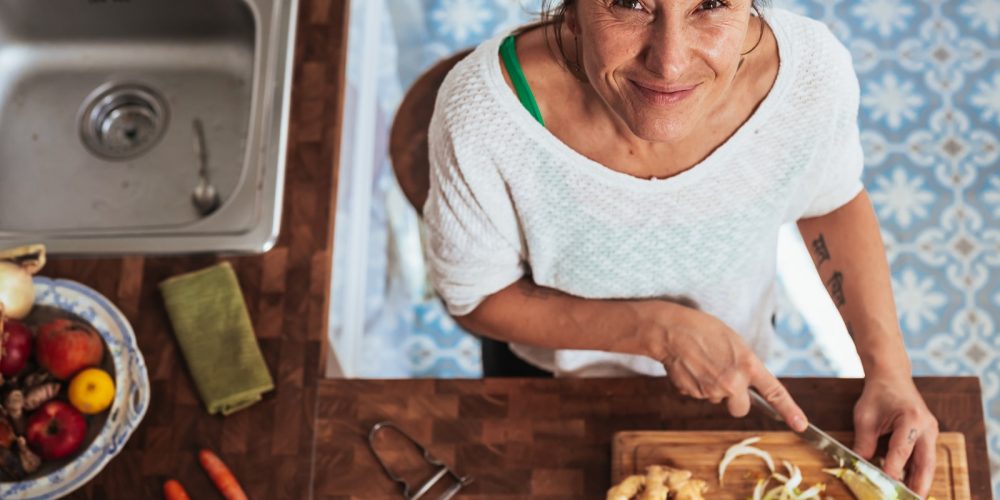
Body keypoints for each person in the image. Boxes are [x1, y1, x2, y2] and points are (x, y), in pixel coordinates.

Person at [422, 0, 939, 495]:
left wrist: (889, 372)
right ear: (573, 11)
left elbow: (830, 201)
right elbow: (478, 297)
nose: (669, 63)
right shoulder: (481, 115)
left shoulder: (810, 76)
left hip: (734, 369)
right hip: (551, 383)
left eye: (711, 4)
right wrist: (660, 332)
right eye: (628, 3)